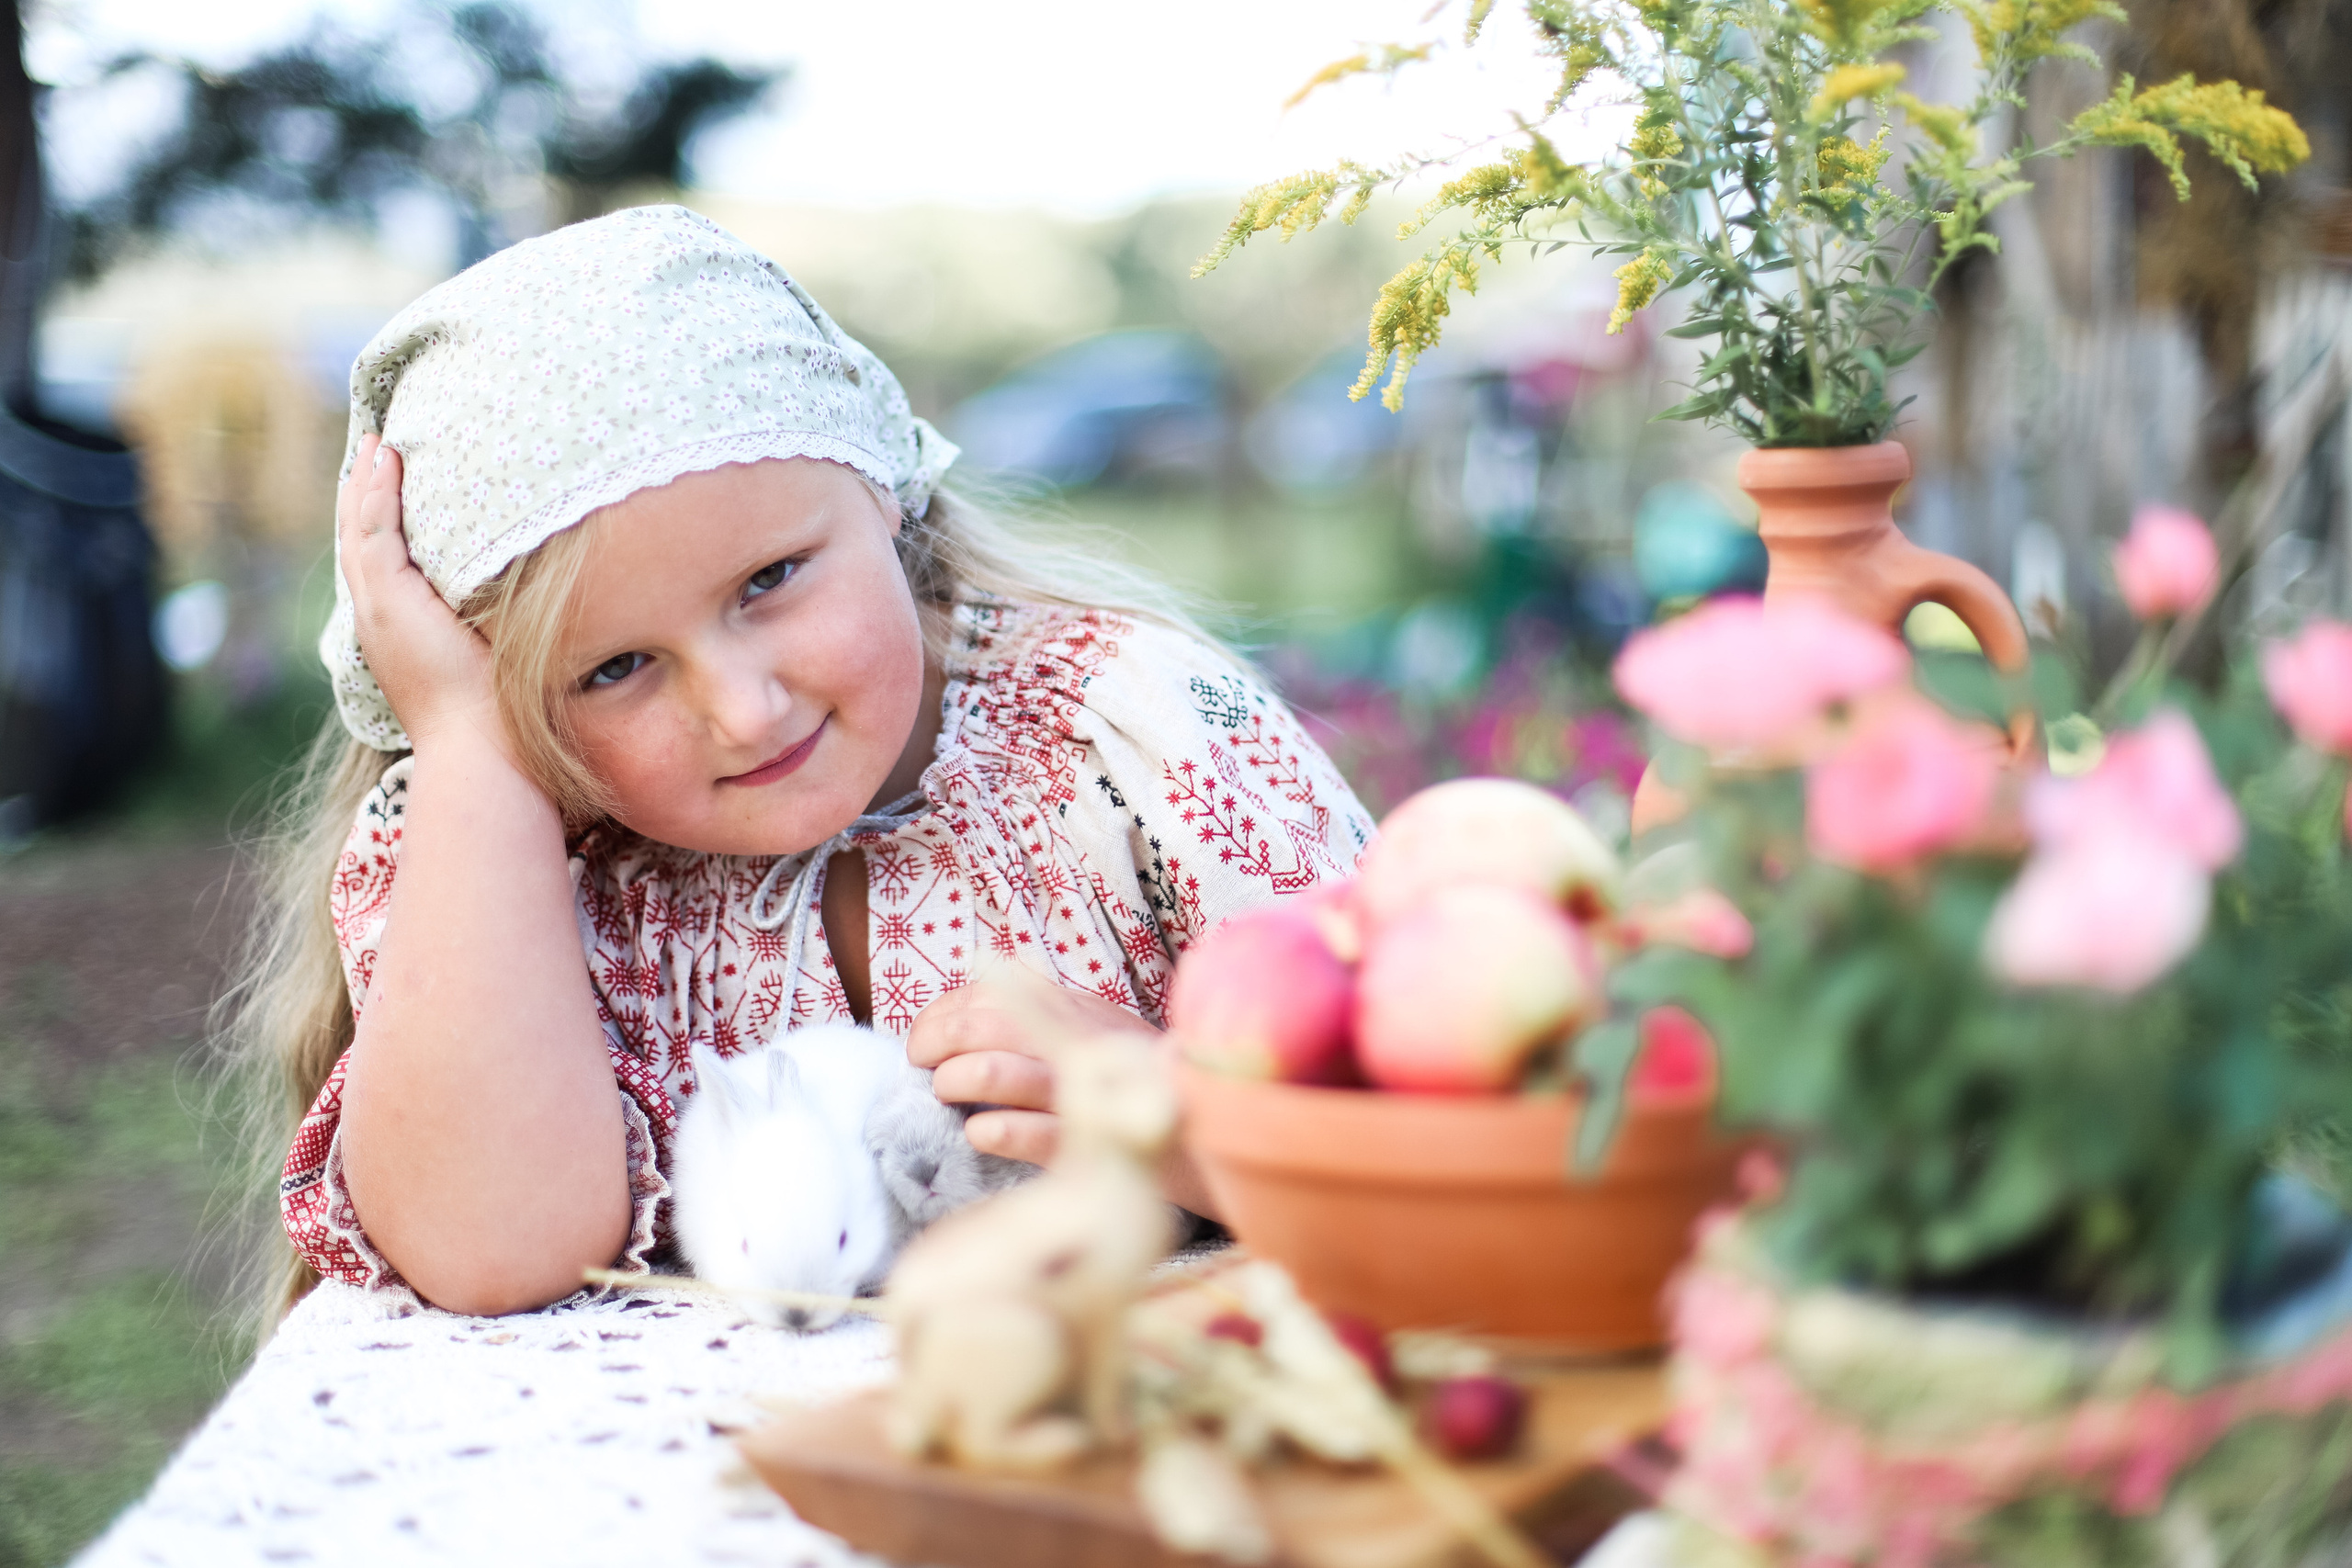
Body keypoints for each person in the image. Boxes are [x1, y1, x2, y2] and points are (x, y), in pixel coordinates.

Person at [230, 206, 1373, 1320]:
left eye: (768, 581)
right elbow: (492, 1250)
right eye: (615, 668)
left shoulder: (1137, 738)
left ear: (880, 480)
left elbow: (1436, 1136)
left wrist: (1196, 1131)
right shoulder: (511, 844)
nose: (743, 711)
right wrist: (473, 751)